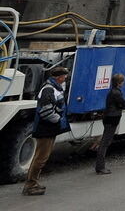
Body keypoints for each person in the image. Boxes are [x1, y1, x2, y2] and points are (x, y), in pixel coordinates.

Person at [23, 66, 69, 195]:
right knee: (40, 158)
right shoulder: (49, 90)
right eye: (64, 76)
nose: (65, 79)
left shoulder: (53, 88)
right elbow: (46, 111)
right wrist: (58, 120)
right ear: (59, 77)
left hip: (49, 129)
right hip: (45, 129)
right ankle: (30, 185)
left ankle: (33, 183)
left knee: (42, 157)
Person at [94, 72, 125, 175]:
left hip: (109, 117)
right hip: (112, 118)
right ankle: (100, 167)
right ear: (119, 83)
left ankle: (100, 166)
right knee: (105, 143)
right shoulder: (116, 93)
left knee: (105, 141)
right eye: (122, 82)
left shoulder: (112, 91)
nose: (123, 83)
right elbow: (123, 103)